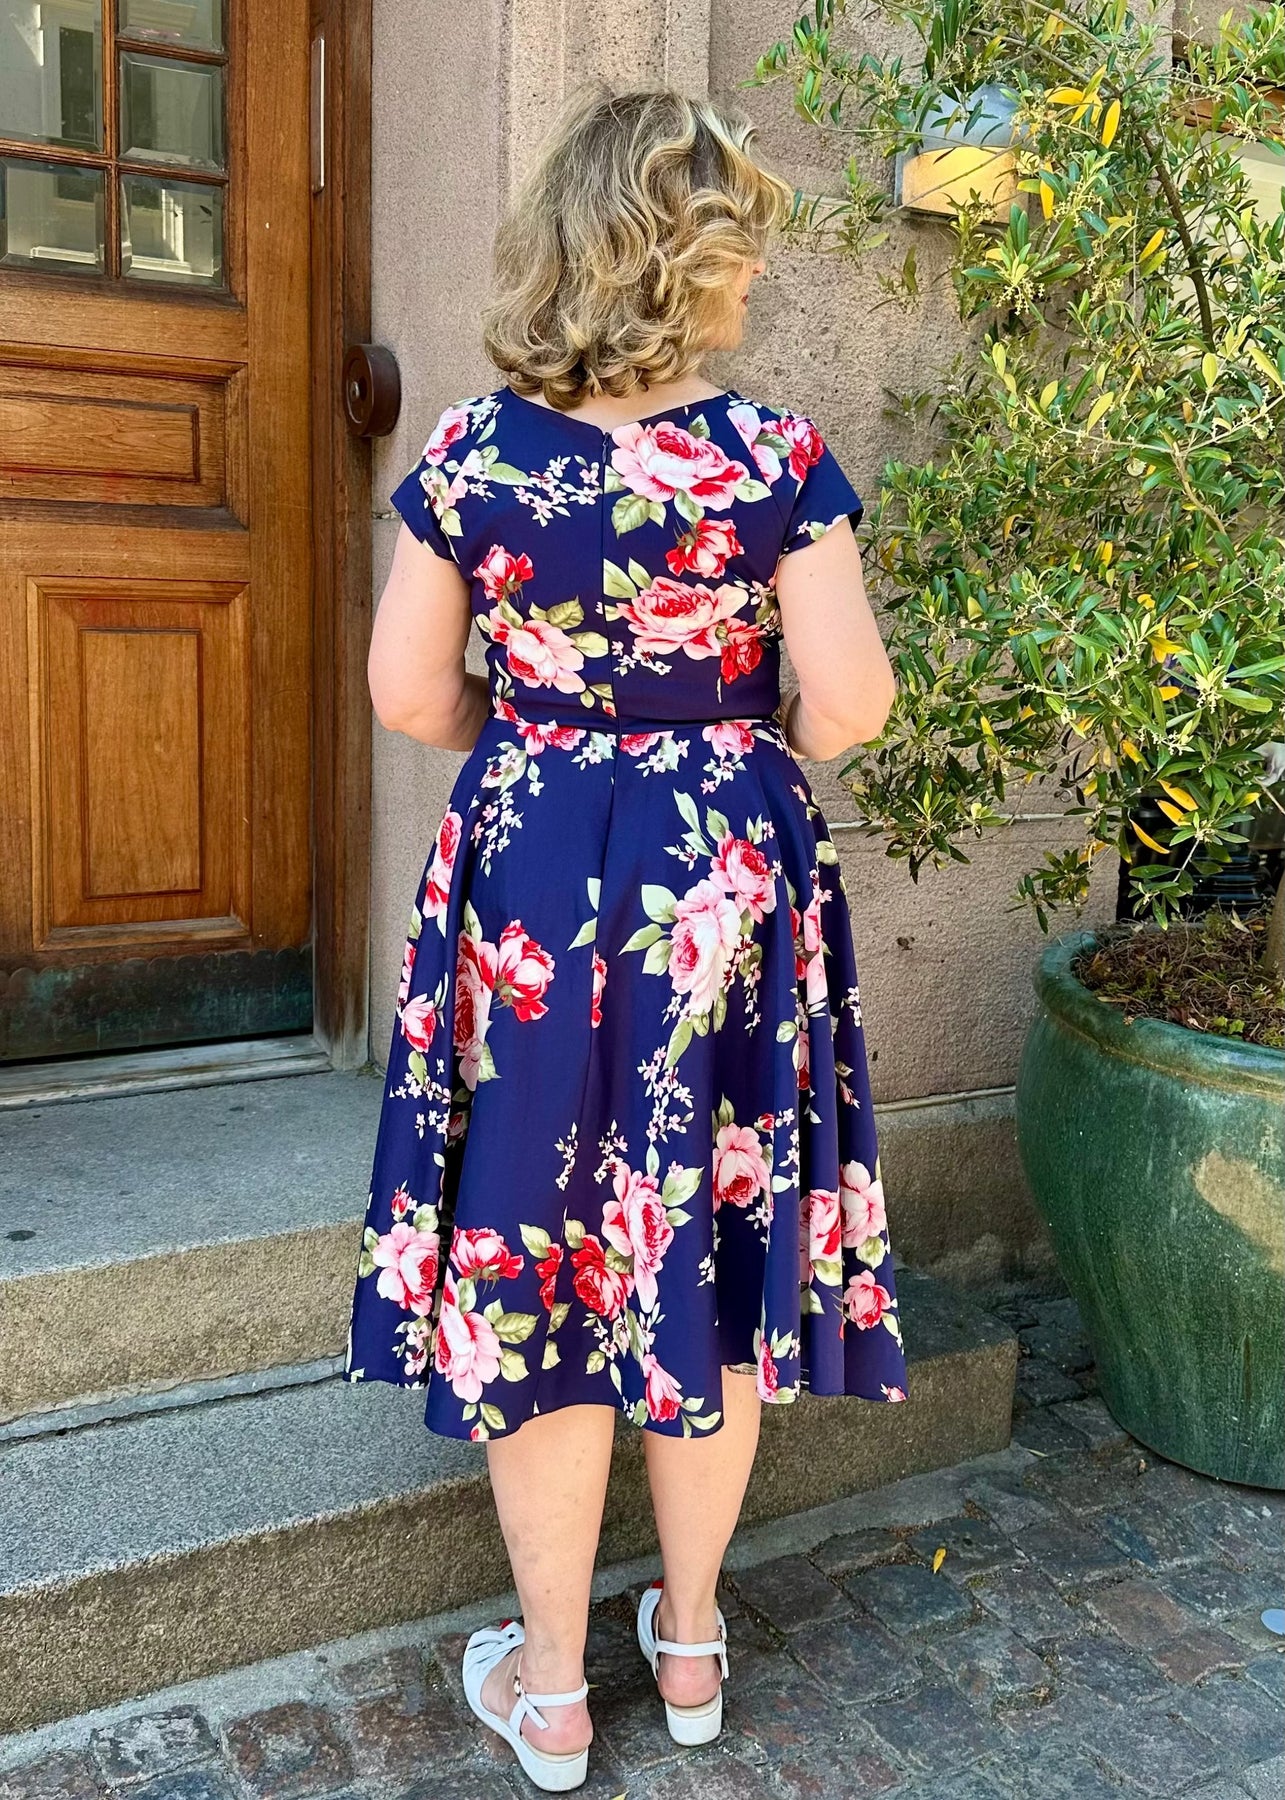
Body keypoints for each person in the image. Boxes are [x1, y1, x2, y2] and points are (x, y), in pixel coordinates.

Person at [344, 80, 909, 1793]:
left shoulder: (471, 452)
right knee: (700, 1238)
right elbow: (850, 703)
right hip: (718, 881)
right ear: (688, 256)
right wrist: (726, 754)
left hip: (529, 868)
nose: (755, 272)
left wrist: (541, 749)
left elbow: (405, 693)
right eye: (740, 241)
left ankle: (549, 1691)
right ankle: (687, 1643)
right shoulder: (771, 458)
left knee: (536, 1242)